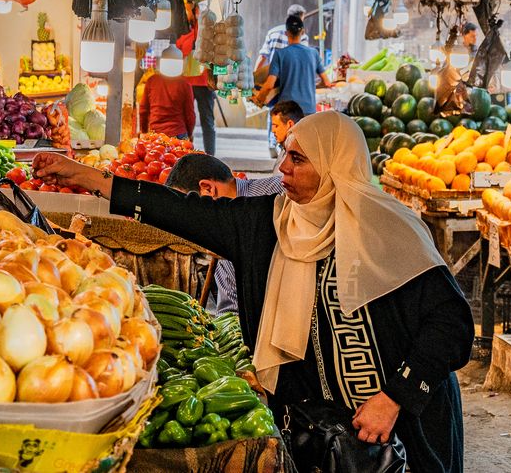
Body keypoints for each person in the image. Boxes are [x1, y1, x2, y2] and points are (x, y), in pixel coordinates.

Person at [33, 111, 472, 472]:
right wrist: (89, 178)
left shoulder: (389, 230)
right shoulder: (271, 221)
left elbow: (451, 326)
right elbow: (180, 210)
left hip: (403, 422)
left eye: (298, 159)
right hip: (325, 434)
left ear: (335, 165)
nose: (282, 167)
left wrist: (394, 396)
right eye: (285, 154)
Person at [165, 154, 284, 315]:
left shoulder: (281, 192)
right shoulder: (222, 253)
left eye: (188, 213)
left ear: (208, 189)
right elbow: (230, 312)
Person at [256, 4, 309, 157]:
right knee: (286, 114)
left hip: (272, 79)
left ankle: (273, 142)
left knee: (274, 112)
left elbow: (263, 56)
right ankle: (285, 146)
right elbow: (302, 59)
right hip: (291, 81)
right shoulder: (303, 36)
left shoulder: (272, 32)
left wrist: (255, 79)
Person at [253, 16, 331, 118]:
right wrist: (310, 87)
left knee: (287, 134)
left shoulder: (280, 54)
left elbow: (269, 85)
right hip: (309, 110)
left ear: (286, 33)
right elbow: (327, 82)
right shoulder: (313, 53)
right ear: (302, 32)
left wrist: (259, 99)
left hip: (287, 111)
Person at [176, 5, 217, 155]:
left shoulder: (200, 34)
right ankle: (191, 153)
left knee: (203, 121)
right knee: (196, 120)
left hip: (200, 83)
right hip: (192, 83)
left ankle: (206, 156)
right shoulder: (187, 35)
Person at [139, 70, 196, 140]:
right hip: (178, 133)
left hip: (155, 134)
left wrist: (144, 131)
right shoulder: (184, 83)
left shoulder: (151, 81)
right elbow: (190, 114)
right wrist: (190, 134)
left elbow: (143, 109)